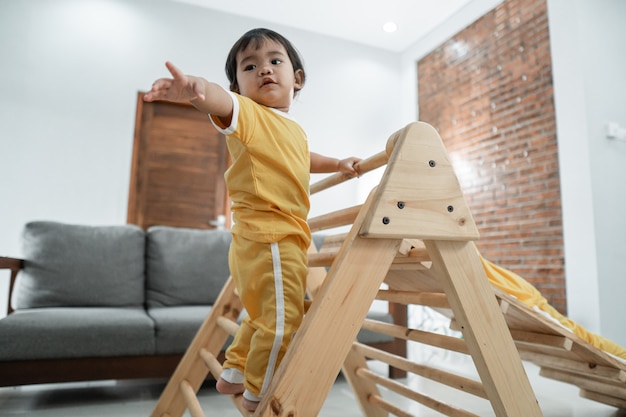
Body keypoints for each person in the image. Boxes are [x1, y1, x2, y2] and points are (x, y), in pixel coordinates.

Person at [144, 28, 360, 411]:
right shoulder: (248, 115)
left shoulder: (290, 128)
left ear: (297, 78)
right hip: (270, 235)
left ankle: (235, 372)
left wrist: (338, 165)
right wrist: (195, 89)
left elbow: (304, 158)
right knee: (284, 321)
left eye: (275, 61)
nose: (265, 70)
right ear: (238, 87)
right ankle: (260, 391)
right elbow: (217, 100)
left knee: (265, 314)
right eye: (250, 66)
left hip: (277, 237)